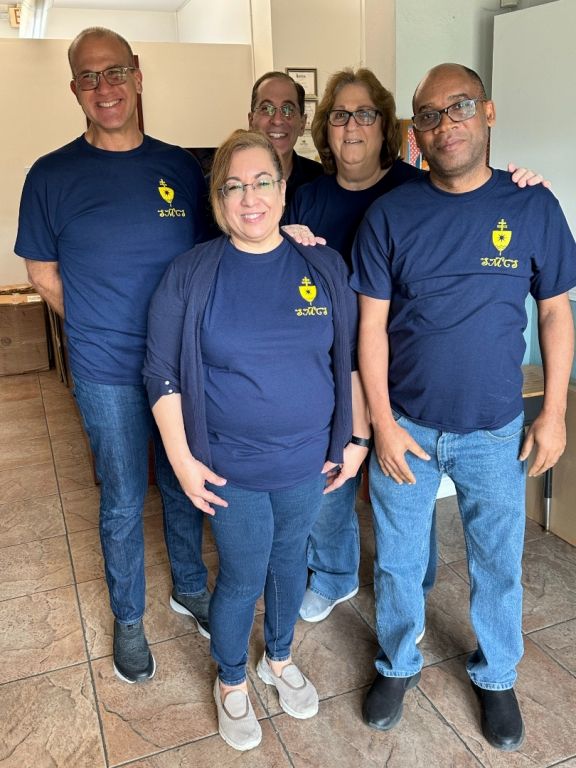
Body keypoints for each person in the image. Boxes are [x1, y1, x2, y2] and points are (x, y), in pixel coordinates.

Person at [352, 63, 576, 751]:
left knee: (498, 561)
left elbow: (557, 314)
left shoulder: (532, 205)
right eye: (427, 115)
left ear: (488, 113)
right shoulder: (390, 213)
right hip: (408, 428)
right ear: (414, 132)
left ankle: (499, 674)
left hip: (495, 430)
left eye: (458, 107)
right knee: (396, 560)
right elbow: (369, 327)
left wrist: (555, 411)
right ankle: (397, 662)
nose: (444, 123)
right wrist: (383, 424)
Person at [288, 67, 550, 625]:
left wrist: (521, 183)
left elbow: (475, 204)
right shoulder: (308, 199)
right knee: (336, 484)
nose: (352, 126)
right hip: (333, 371)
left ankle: (457, 628)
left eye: (365, 115)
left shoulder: (419, 188)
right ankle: (345, 588)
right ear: (325, 129)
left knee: (447, 532)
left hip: (438, 395)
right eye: (339, 115)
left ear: (385, 127)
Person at [142, 129, 370, 752]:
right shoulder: (191, 273)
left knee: (290, 561)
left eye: (262, 181)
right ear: (217, 197)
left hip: (308, 463)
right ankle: (233, 680)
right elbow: (160, 373)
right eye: (234, 185)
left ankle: (279, 657)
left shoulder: (320, 265)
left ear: (282, 187)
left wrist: (357, 437)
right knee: (243, 573)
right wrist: (184, 462)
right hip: (229, 469)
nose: (250, 197)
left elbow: (349, 359)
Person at [14, 27, 213, 685]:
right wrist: (95, 322)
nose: (105, 87)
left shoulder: (181, 167)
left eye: (115, 72)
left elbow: (221, 252)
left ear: (137, 75)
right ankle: (129, 619)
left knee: (186, 484)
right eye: (89, 76)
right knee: (125, 494)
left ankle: (189, 587)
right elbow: (42, 272)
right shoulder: (50, 175)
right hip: (104, 370)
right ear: (75, 88)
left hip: (180, 366)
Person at [248, 71, 323, 208]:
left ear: (302, 123)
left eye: (288, 109)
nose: (277, 120)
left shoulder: (322, 181)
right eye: (266, 108)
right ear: (251, 120)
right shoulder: (221, 185)